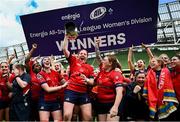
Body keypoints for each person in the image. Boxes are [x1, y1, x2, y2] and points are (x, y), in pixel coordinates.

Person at [62, 34, 94, 121]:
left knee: (88, 118)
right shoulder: (73, 61)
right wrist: (66, 37)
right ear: (78, 55)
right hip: (71, 91)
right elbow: (64, 49)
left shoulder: (90, 68)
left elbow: (92, 82)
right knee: (67, 115)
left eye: (85, 54)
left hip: (83, 93)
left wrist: (87, 80)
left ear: (87, 57)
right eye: (81, 53)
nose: (83, 55)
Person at [94, 38, 124, 121]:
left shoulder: (116, 74)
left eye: (104, 60)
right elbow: (98, 56)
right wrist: (96, 46)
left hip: (112, 103)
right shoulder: (102, 70)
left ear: (110, 63)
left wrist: (115, 107)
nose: (102, 61)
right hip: (101, 103)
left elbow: (119, 91)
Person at [37, 57, 68, 122]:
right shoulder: (40, 74)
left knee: (58, 121)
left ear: (51, 63)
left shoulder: (56, 73)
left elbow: (66, 83)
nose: (47, 61)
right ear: (42, 63)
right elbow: (47, 89)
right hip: (44, 101)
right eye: (45, 60)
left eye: (48, 60)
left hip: (55, 101)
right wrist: (62, 87)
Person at [25, 43, 42, 121]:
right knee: (32, 117)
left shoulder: (43, 74)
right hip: (31, 100)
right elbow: (27, 60)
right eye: (36, 65)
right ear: (32, 67)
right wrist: (33, 49)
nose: (37, 66)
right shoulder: (30, 72)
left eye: (39, 65)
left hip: (42, 99)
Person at [170, 54, 180, 120]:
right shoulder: (172, 73)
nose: (172, 61)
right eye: (171, 60)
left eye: (174, 59)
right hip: (176, 103)